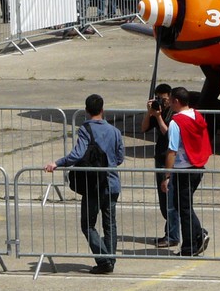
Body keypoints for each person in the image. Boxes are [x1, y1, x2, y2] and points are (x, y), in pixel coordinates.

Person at [44, 93, 124, 274]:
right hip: (111, 183)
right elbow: (119, 158)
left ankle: (104, 260)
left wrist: (57, 163)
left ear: (87, 111)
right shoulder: (115, 131)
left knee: (88, 224)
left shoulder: (86, 130)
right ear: (102, 110)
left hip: (93, 184)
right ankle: (110, 259)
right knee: (109, 223)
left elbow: (77, 154)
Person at [164, 86, 212, 257]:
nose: (168, 103)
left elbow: (172, 150)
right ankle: (196, 235)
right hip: (197, 165)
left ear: (176, 101)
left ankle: (191, 243)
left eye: (170, 100)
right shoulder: (196, 115)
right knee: (182, 205)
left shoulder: (177, 122)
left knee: (183, 208)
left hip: (184, 169)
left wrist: (166, 175)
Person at [141, 82, 179, 248]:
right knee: (163, 200)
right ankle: (169, 232)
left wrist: (158, 116)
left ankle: (173, 235)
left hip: (170, 158)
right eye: (158, 98)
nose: (161, 102)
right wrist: (149, 112)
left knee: (171, 200)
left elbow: (168, 133)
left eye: (163, 99)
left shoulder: (173, 113)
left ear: (170, 98)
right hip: (159, 156)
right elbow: (143, 128)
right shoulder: (158, 111)